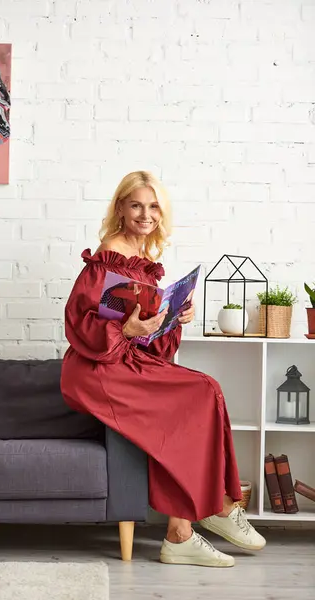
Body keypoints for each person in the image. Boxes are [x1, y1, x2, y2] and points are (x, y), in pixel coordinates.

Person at [60, 171, 266, 568]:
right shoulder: (108, 256)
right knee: (201, 391)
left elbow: (147, 342)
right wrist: (125, 327)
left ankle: (181, 531)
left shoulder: (147, 264)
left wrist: (172, 319)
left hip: (126, 361)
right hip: (96, 369)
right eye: (136, 204)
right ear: (120, 208)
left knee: (203, 390)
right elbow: (77, 322)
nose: (145, 213)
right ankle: (218, 508)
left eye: (153, 206)